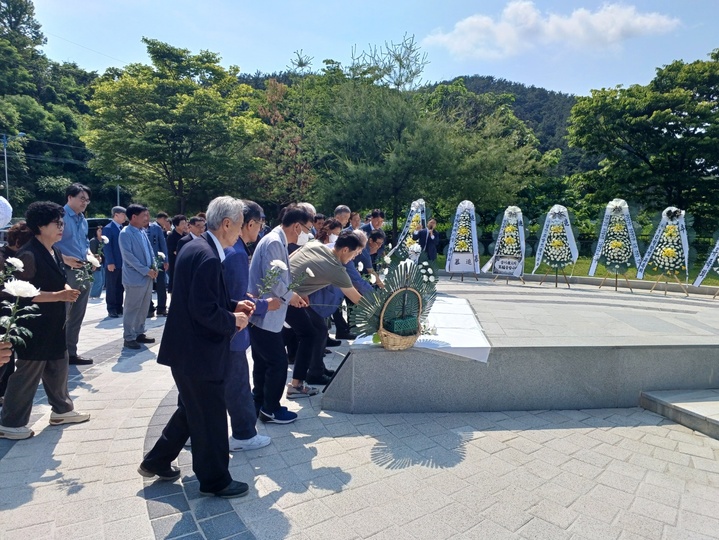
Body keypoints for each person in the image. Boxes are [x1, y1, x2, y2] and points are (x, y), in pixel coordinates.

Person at [139, 196, 253, 498]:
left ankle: (156, 460)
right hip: (199, 352)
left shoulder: (194, 246)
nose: (241, 232)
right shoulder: (209, 256)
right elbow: (204, 311)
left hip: (187, 350)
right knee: (211, 417)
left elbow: (199, 299)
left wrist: (231, 305)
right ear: (227, 224)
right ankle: (215, 480)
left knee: (193, 410)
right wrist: (233, 320)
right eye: (240, 225)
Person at [0, 201, 89, 440]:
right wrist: (59, 296)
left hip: (54, 323)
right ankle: (11, 422)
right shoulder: (29, 254)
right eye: (56, 224)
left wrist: (66, 288)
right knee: (27, 374)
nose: (61, 228)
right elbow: (19, 293)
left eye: (62, 223)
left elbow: (56, 280)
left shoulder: (54, 250)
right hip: (35, 326)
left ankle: (62, 410)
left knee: (58, 366)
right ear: (40, 226)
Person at [223, 200, 279, 451]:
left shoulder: (227, 248)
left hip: (217, 332)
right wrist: (266, 305)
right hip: (231, 333)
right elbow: (236, 302)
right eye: (260, 225)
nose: (260, 230)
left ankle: (189, 430)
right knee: (238, 386)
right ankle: (244, 435)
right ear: (251, 223)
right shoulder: (234, 253)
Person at [247, 205, 311, 424]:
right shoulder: (274, 241)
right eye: (306, 229)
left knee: (263, 362)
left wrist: (295, 293)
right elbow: (274, 280)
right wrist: (290, 296)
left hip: (264, 313)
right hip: (265, 314)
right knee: (278, 363)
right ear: (296, 226)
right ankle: (270, 409)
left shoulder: (276, 239)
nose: (307, 235)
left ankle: (259, 403)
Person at [285, 231, 364, 388]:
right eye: (354, 254)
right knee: (310, 334)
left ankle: (316, 370)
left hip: (285, 290)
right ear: (345, 250)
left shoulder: (315, 244)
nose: (353, 258)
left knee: (319, 329)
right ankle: (305, 379)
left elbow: (290, 258)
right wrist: (381, 312)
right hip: (285, 299)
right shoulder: (336, 269)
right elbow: (356, 299)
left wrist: (300, 290)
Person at [55, 183, 95, 365]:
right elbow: (48, 244)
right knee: (63, 313)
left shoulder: (83, 220)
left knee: (78, 313)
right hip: (64, 270)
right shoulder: (59, 216)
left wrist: (92, 257)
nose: (84, 203)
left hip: (83, 269)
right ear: (69, 197)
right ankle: (57, 352)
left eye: (87, 200)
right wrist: (64, 259)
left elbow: (84, 243)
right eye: (81, 199)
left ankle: (71, 352)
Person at [0, 221, 34, 405]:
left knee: (9, 354)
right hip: (3, 311)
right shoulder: (4, 257)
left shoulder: (19, 256)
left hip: (11, 311)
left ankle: (5, 392)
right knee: (5, 354)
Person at [119, 204, 158, 350]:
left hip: (147, 275)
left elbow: (150, 251)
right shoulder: (125, 233)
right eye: (144, 216)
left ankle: (139, 332)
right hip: (135, 277)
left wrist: (154, 266)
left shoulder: (142, 231)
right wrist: (145, 270)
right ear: (133, 217)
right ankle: (129, 336)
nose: (146, 219)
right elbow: (129, 257)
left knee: (143, 307)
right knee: (132, 308)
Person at [102, 206, 126, 319]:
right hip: (113, 263)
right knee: (111, 286)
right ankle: (111, 309)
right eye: (123, 214)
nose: (125, 217)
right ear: (116, 215)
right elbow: (107, 247)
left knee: (120, 286)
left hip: (122, 263)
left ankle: (119, 307)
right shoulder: (108, 228)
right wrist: (110, 262)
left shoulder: (122, 228)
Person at [147, 212, 170, 317]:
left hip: (158, 260)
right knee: (147, 286)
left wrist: (166, 260)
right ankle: (149, 308)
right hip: (145, 262)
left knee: (161, 285)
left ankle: (161, 308)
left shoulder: (156, 228)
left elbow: (163, 244)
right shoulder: (138, 229)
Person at [166, 214, 187, 294]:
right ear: (176, 225)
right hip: (174, 262)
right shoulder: (171, 236)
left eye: (185, 223)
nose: (185, 225)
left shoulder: (186, 235)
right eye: (182, 223)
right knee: (174, 283)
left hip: (185, 262)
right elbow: (172, 250)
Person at [88, 227, 106, 299]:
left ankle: (97, 296)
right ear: (96, 232)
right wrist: (95, 261)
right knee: (98, 281)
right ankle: (92, 295)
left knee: (102, 282)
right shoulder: (93, 241)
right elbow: (91, 252)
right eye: (99, 231)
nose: (101, 232)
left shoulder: (103, 241)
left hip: (103, 263)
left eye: (102, 231)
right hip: (95, 263)